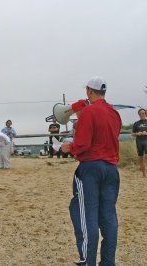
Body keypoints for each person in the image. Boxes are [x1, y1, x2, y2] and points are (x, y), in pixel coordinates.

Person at [61, 76, 121, 266]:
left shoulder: (88, 112)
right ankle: (108, 262)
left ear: (89, 91)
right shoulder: (114, 113)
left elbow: (83, 145)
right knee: (109, 216)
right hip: (111, 169)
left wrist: (67, 148)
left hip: (90, 169)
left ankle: (88, 261)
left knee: (87, 216)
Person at [131, 108, 147, 177]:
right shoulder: (136, 123)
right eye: (140, 114)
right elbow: (132, 134)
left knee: (146, 157)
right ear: (138, 115)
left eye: (143, 113)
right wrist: (138, 133)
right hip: (139, 142)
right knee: (141, 158)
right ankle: (144, 174)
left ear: (145, 114)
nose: (142, 115)